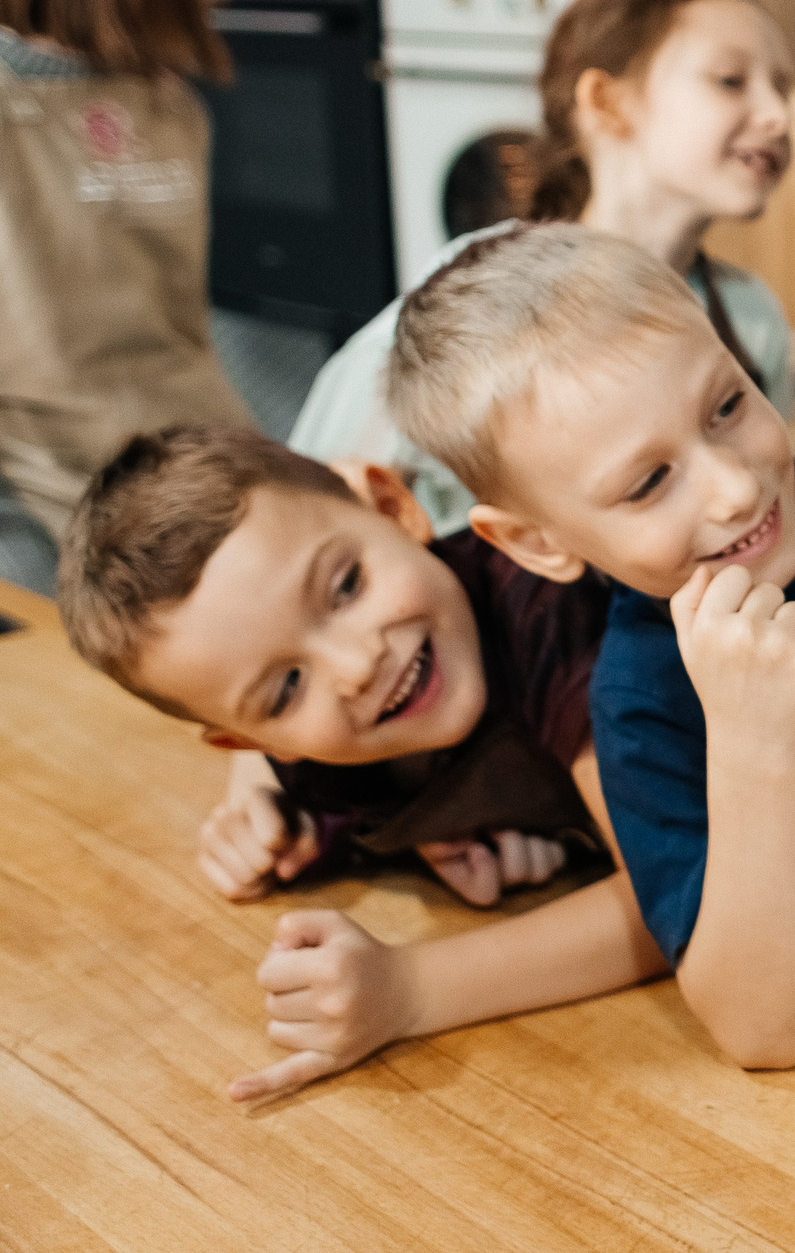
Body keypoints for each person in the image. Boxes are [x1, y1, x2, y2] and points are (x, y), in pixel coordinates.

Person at [380, 222, 795, 1071]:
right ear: (538, 543)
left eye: (726, 405)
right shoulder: (642, 700)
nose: (734, 483)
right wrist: (750, 740)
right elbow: (763, 1030)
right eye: (649, 482)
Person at [54, 423, 665, 1104]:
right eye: (286, 687)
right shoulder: (327, 759)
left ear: (389, 506)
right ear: (252, 741)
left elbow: (680, 896)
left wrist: (409, 989)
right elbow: (358, 805)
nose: (356, 665)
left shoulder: (554, 612)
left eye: (345, 585)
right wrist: (282, 829)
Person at [290, 0, 795, 537]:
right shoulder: (483, 296)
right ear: (606, 102)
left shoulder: (753, 321)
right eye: (731, 80)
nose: (777, 115)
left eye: (782, 87)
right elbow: (318, 505)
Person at [0, 0, 261, 588]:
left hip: (206, 506)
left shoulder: (173, 106)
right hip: (60, 545)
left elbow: (179, 344)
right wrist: (24, 575)